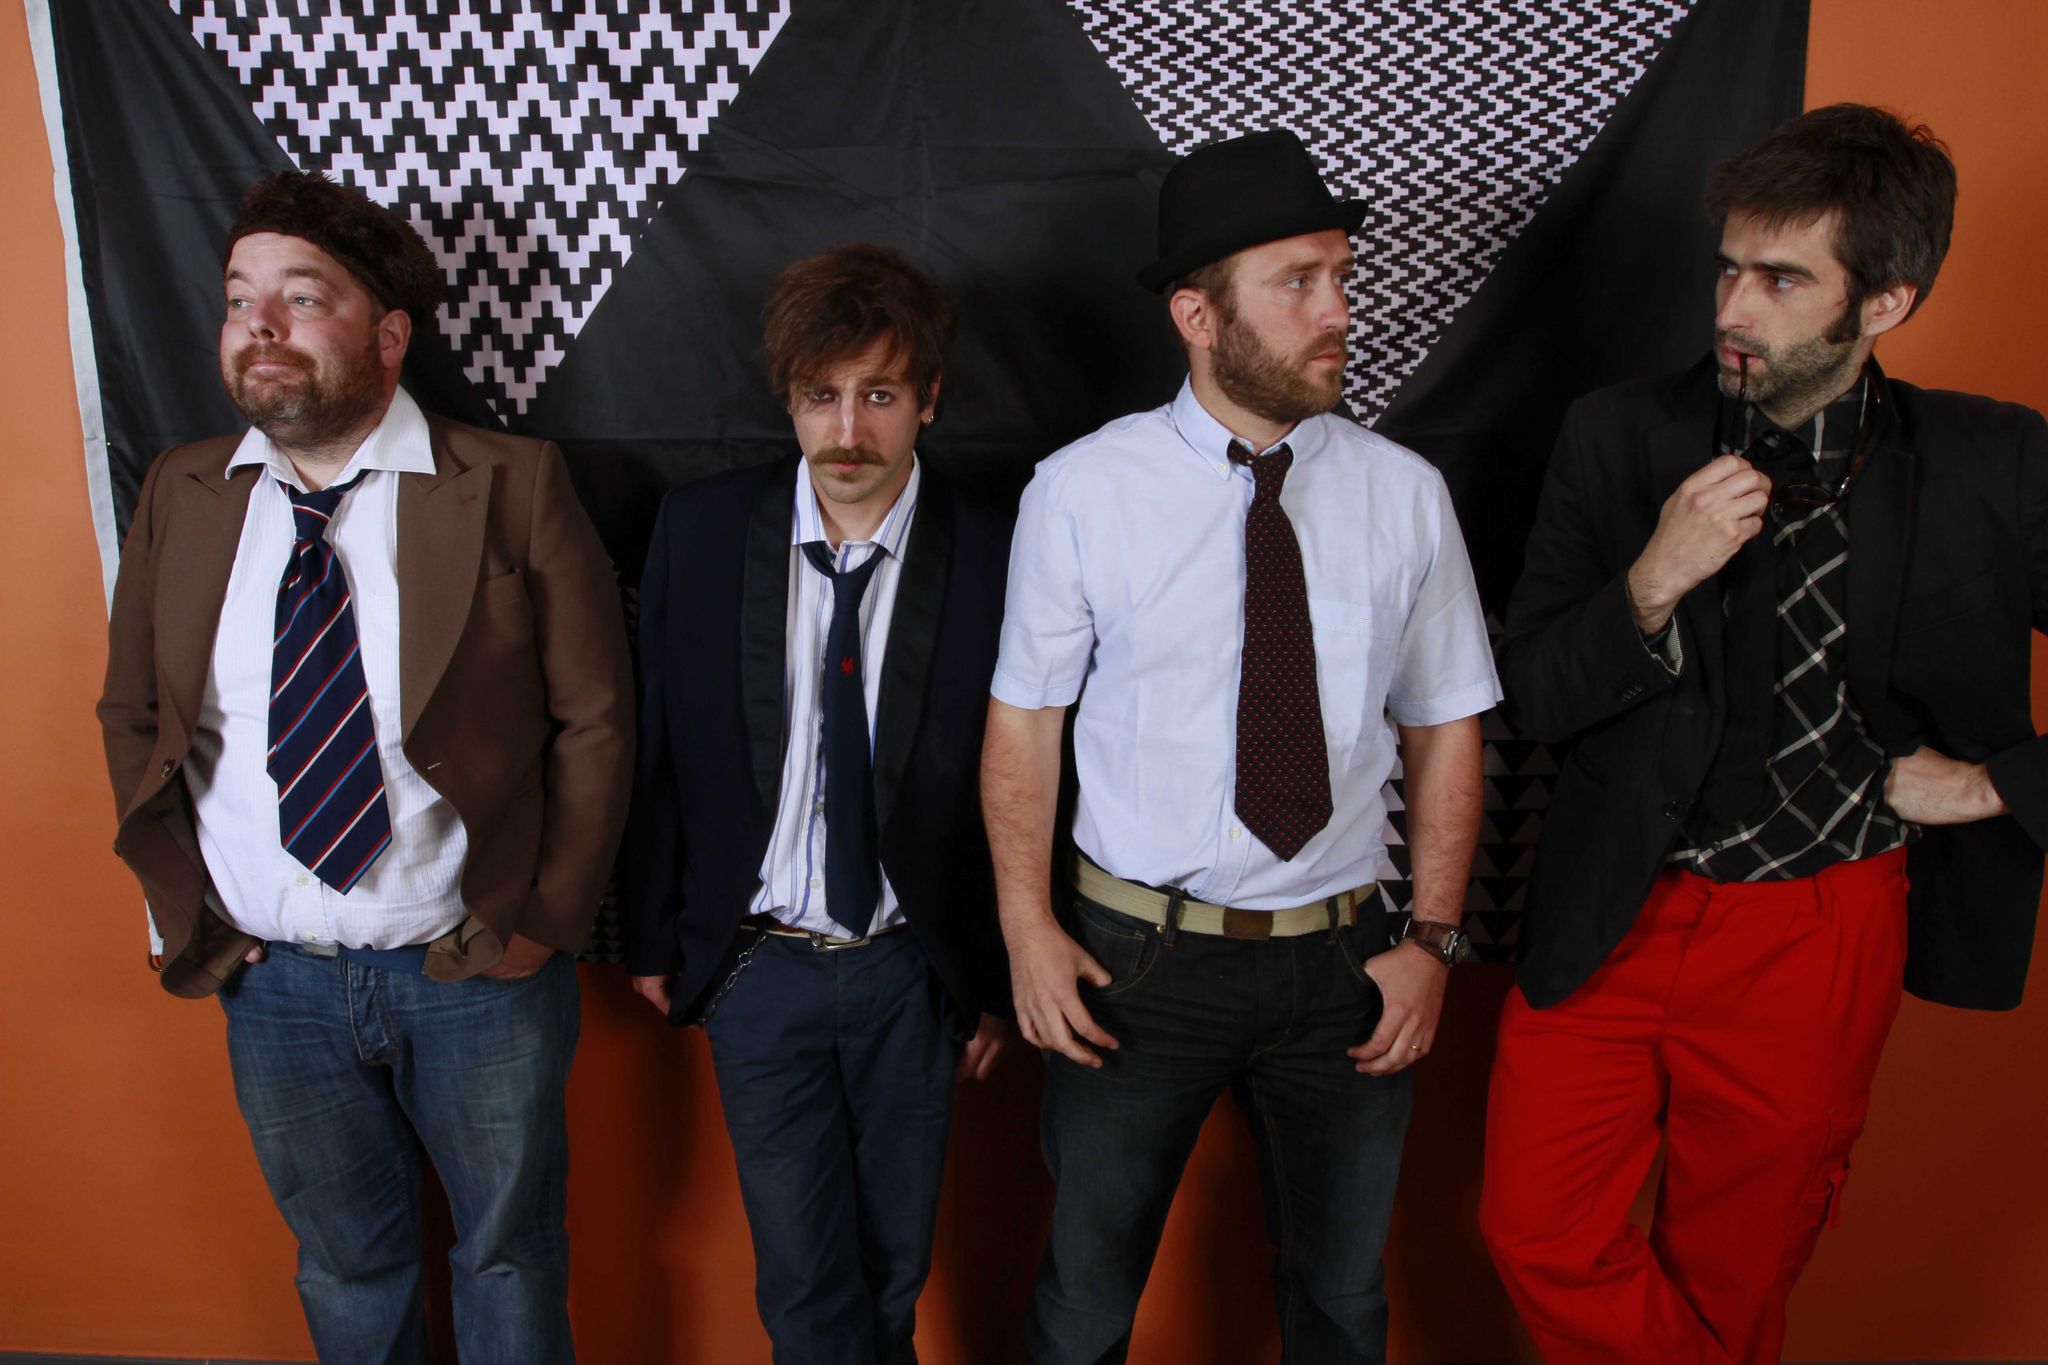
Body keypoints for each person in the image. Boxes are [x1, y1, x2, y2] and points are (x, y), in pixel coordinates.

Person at [1482, 103, 2048, 1363]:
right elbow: (1533, 696)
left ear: (1884, 302)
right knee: (1535, 1234)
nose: (1732, 308)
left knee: (1736, 1275)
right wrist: (1649, 582)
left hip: (1818, 929)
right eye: (1727, 268)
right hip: (1615, 905)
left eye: (1781, 280)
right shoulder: (1615, 433)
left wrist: (1996, 785)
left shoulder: (1992, 461)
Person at [97, 170, 633, 1365]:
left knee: (507, 1256)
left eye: (302, 298)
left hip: (474, 967)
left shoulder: (508, 481)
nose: (261, 327)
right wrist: (184, 907)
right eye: (239, 299)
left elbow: (594, 718)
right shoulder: (183, 490)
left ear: (389, 336)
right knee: (344, 1266)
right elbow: (133, 712)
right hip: (271, 979)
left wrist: (543, 919)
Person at [983, 130, 1499, 1364]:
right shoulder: (1081, 491)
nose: (1338, 312)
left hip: (1344, 964)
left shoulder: (1403, 494)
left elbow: (1445, 728)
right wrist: (1025, 928)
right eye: (1296, 282)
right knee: (1083, 1304)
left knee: (1341, 1303)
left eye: (1340, 276)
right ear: (1196, 315)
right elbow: (1024, 722)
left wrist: (1430, 942)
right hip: (1132, 964)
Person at [622, 243, 1013, 1364]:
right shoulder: (702, 529)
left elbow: (1039, 777)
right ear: (787, 397)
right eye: (819, 394)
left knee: (892, 1272)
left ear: (928, 398)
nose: (846, 431)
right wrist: (653, 934)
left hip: (914, 968)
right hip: (758, 961)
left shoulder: (1000, 547)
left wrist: (993, 977)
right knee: (802, 1280)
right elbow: (656, 743)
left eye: (878, 395)